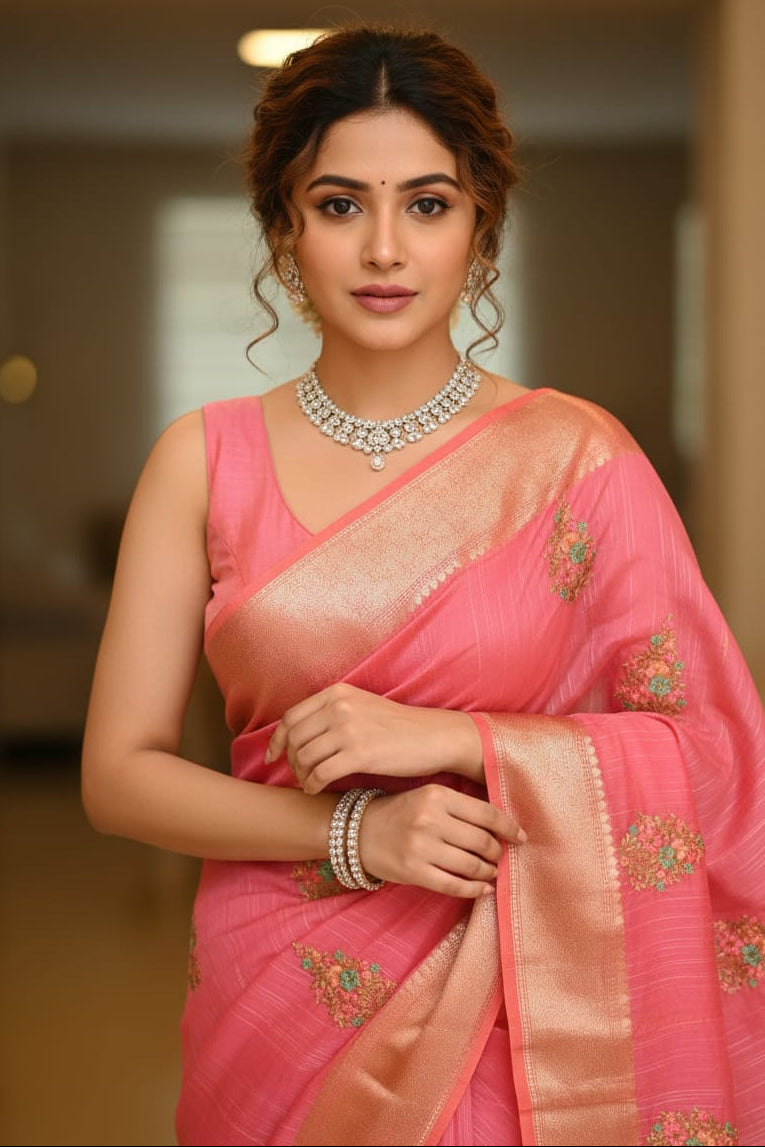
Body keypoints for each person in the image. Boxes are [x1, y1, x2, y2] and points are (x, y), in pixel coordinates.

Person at [81, 22, 765, 1147]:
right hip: (279, 986)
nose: (386, 248)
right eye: (341, 204)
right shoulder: (202, 460)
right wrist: (358, 836)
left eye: (429, 204)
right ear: (284, 229)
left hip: (517, 988)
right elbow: (119, 774)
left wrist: (450, 737)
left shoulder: (578, 459)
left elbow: (714, 752)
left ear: (480, 227)